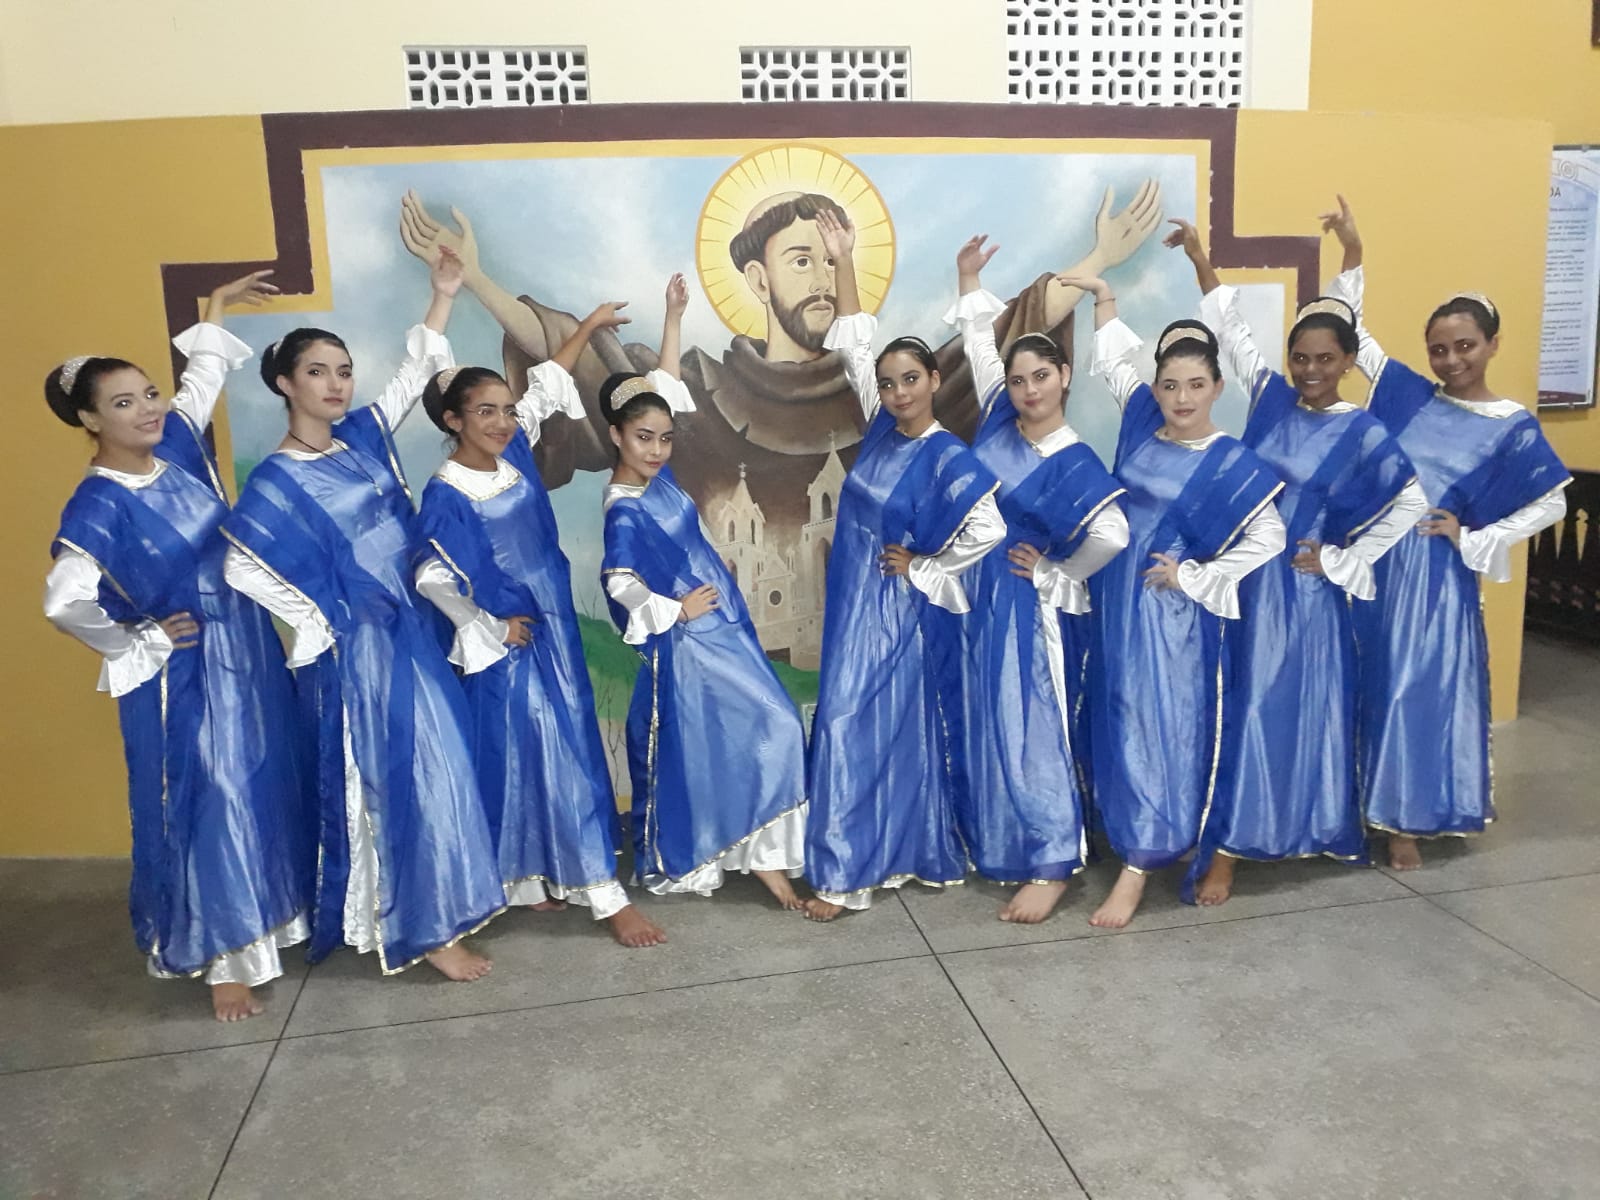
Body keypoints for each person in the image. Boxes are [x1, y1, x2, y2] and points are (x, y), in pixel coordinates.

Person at [396, 184, 1163, 668]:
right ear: (758, 280)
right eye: (803, 260)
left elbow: (991, 355)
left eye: (830, 263)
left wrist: (1097, 260)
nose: (822, 277)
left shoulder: (885, 399)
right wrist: (476, 282)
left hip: (884, 612)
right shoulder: (701, 391)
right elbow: (585, 366)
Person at [222, 246, 506, 981]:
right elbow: (240, 565)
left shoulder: (358, 441)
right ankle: (420, 927)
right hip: (362, 655)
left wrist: (444, 294)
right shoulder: (276, 480)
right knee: (393, 777)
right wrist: (326, 620)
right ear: (284, 383)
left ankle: (437, 905)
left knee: (441, 763)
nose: (336, 384)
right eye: (318, 372)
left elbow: (410, 379)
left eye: (344, 371)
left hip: (411, 629)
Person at [44, 271, 313, 1021]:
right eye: (122, 403)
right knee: (208, 799)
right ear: (90, 420)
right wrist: (136, 637)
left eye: (148, 393)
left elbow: (202, 379)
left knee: (262, 780)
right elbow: (63, 599)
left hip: (248, 651)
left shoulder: (180, 447)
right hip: (186, 672)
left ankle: (272, 921)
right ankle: (222, 956)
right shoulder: (98, 503)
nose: (147, 409)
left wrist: (218, 308)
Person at [412, 280, 695, 949]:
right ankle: (604, 894)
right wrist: (489, 627)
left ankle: (530, 877)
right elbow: (431, 575)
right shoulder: (446, 492)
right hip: (515, 640)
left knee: (544, 747)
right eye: (485, 412)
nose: (503, 422)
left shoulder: (512, 453)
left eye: (506, 410)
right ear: (452, 420)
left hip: (555, 622)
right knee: (546, 750)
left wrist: (589, 325)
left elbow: (547, 380)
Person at [1170, 211, 1425, 904]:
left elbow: (1409, 501)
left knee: (1302, 710)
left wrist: (1344, 558)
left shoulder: (1364, 431)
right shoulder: (1272, 401)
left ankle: (1305, 824)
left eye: (1326, 359)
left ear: (1348, 361)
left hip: (1308, 597)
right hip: (1246, 581)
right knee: (1242, 708)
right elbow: (1232, 332)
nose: (1311, 371)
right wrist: (1199, 258)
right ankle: (1228, 843)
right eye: (1301, 359)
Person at [1321, 199, 1571, 869]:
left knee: (1416, 687)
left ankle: (1404, 818)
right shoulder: (1409, 394)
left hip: (1432, 575)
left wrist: (1474, 537)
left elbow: (1551, 502)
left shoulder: (1511, 425)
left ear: (1493, 343)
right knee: (1360, 678)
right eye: (1439, 348)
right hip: (1371, 562)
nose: (1451, 359)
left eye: (1465, 346)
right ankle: (1348, 803)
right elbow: (1351, 332)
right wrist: (1353, 251)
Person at [1064, 271, 1285, 929]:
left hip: (1173, 621)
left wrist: (1195, 577)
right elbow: (1113, 361)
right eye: (1169, 385)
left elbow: (1269, 537)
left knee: (1164, 727)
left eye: (1195, 385)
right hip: (1116, 606)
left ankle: (1139, 865)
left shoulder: (1231, 461)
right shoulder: (1142, 430)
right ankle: (1143, 828)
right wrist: (1103, 296)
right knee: (1119, 715)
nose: (1181, 397)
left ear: (1218, 387)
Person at [803, 211, 1007, 921]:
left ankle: (845, 875)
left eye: (911, 379)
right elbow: (859, 348)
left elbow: (989, 527)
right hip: (852, 603)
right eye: (889, 384)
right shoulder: (883, 430)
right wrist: (843, 261)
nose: (898, 392)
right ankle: (892, 851)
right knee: (864, 723)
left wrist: (925, 564)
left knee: (856, 722)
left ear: (935, 379)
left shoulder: (948, 454)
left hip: (898, 609)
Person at [944, 235, 1130, 923]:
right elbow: (978, 349)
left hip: (1029, 607)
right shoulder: (1000, 417)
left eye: (1041, 377)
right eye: (1019, 380)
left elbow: (1113, 534)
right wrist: (968, 280)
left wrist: (1057, 572)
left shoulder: (1075, 459)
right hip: (978, 595)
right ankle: (1004, 841)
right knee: (988, 716)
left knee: (1034, 722)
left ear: (1065, 376)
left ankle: (1054, 861)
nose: (1028, 390)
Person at [598, 336, 809, 908]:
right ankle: (751, 858)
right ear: (616, 436)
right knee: (761, 727)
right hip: (690, 641)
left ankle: (761, 854)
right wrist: (676, 610)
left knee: (748, 731)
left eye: (665, 438)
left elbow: (663, 387)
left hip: (723, 628)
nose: (657, 449)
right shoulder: (625, 507)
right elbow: (619, 583)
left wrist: (672, 320)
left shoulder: (656, 479)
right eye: (643, 438)